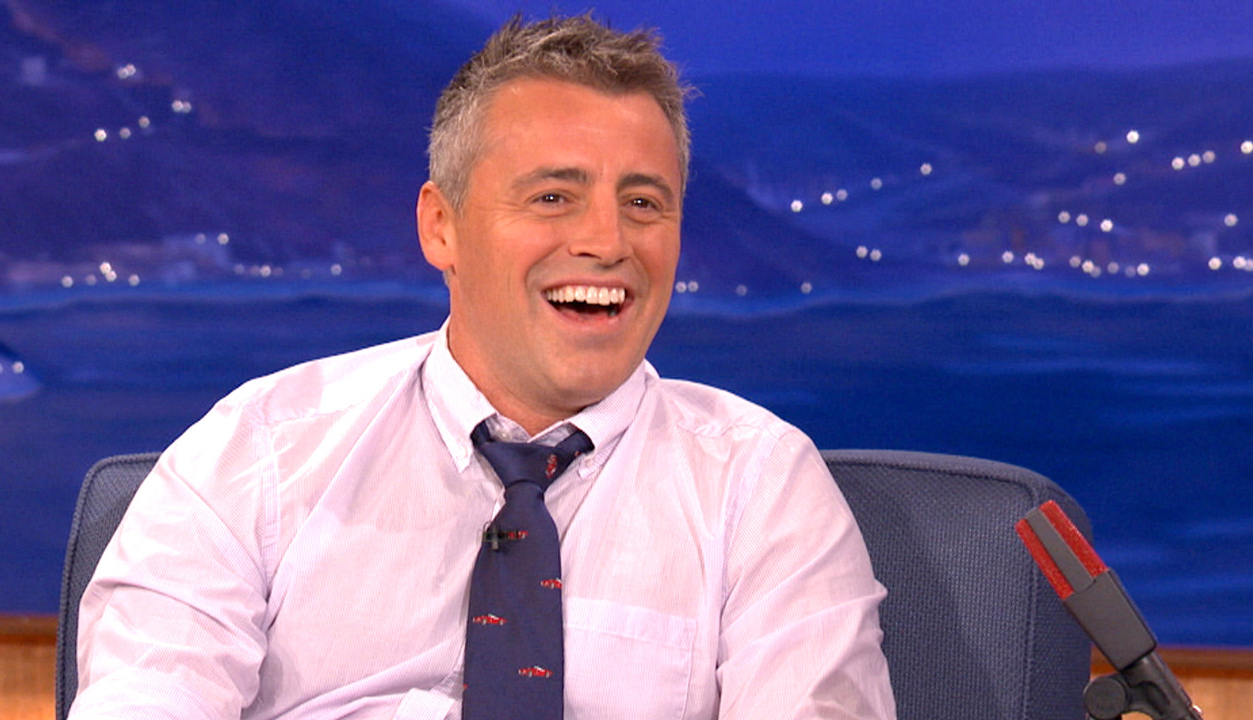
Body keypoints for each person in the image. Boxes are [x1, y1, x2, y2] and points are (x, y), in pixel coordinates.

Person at [69, 14, 896, 720]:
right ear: (442, 227)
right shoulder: (258, 455)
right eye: (553, 196)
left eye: (643, 202)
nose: (607, 242)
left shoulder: (759, 488)